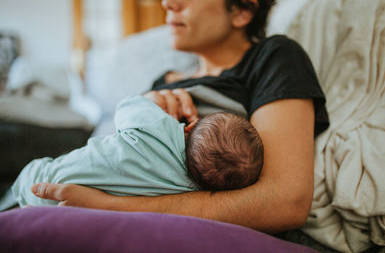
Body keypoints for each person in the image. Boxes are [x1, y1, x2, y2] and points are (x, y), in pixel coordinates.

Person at [32, 0, 330, 233]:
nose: (167, 2)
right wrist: (147, 101)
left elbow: (284, 201)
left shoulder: (273, 56)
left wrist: (111, 206)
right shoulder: (165, 82)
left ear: (242, 10)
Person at [12, 95, 264, 206]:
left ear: (191, 126)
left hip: (42, 180)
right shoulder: (186, 191)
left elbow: (128, 105)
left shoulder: (157, 126)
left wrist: (153, 103)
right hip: (66, 208)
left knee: (32, 167)